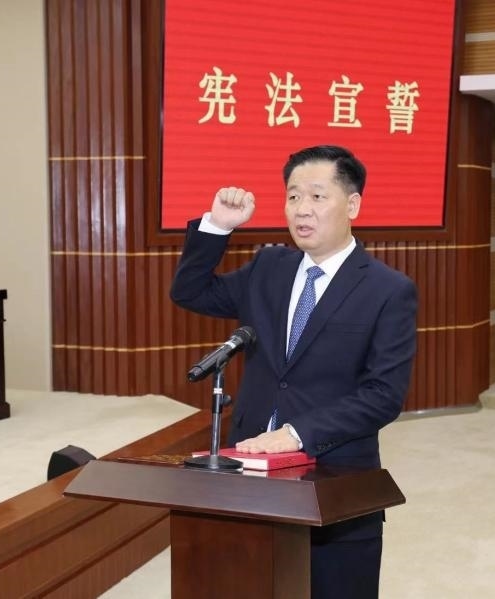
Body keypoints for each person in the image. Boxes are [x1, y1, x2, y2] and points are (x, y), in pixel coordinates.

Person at [170, 144, 417, 599]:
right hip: (250, 472)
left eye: (318, 196)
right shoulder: (269, 267)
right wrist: (218, 225)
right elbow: (190, 292)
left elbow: (383, 395)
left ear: (352, 205)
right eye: (293, 196)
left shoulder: (388, 290)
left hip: (335, 479)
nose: (302, 209)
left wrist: (297, 433)